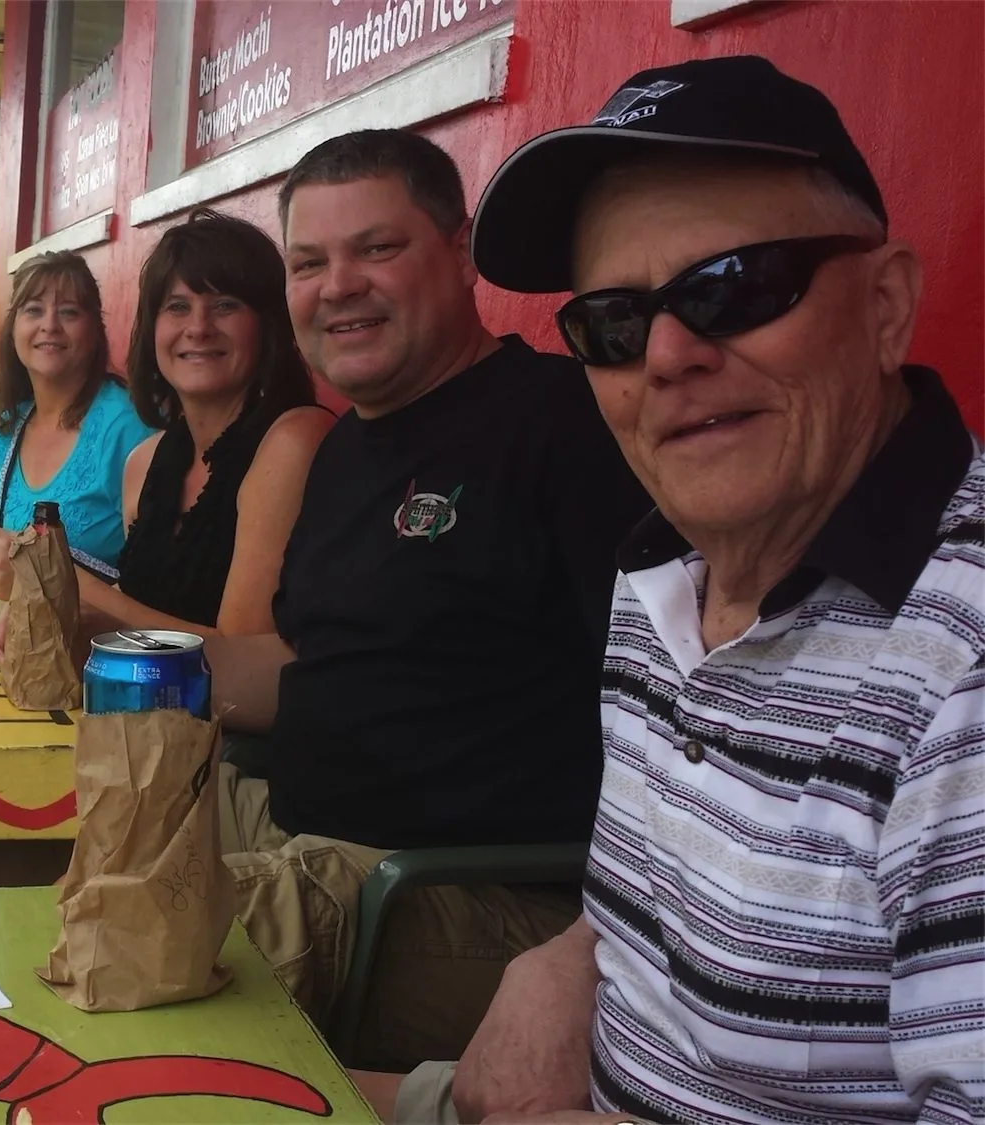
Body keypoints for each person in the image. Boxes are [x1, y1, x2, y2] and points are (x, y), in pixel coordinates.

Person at [368, 56, 985, 1125]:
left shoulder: (959, 665)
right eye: (612, 321)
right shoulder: (662, 568)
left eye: (732, 288)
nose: (664, 354)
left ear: (886, 306)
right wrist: (569, 956)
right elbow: (658, 906)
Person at [199, 129, 652, 1069]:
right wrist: (100, 650)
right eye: (309, 263)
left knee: (145, 936)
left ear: (460, 250)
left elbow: (668, 715)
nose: (339, 286)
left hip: (462, 894)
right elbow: (301, 664)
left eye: (377, 248)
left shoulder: (565, 422)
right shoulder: (345, 448)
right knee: (71, 810)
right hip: (304, 840)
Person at [90, 208, 332, 637]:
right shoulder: (144, 463)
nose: (198, 328)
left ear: (267, 325)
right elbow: (136, 608)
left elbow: (238, 652)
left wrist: (68, 587)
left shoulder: (296, 438)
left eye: (224, 305)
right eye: (177, 307)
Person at [0, 252, 156, 580]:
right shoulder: (3, 432)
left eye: (69, 312)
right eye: (34, 310)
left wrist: (29, 575)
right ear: (13, 328)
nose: (49, 325)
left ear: (95, 330)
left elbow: (154, 589)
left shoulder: (130, 429)